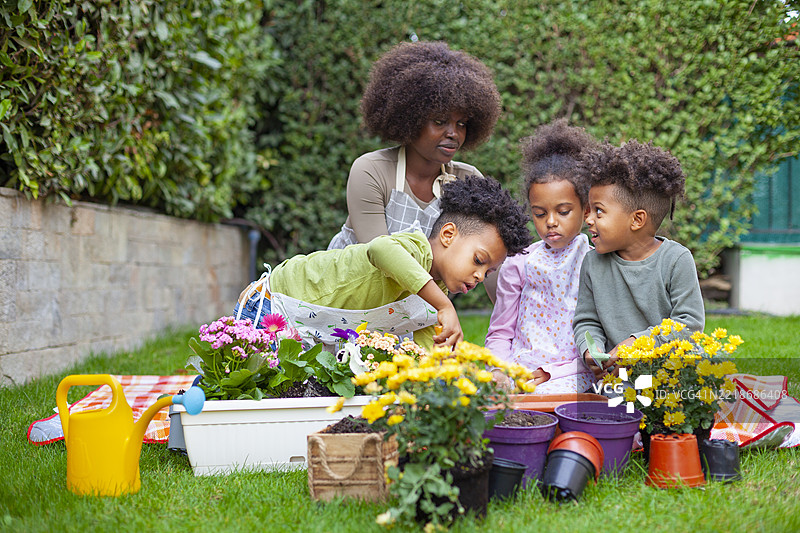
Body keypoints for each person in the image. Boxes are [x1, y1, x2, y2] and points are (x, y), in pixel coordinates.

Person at [236, 175, 532, 350]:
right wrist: (445, 305)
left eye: (489, 270)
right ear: (448, 235)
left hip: (311, 329)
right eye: (479, 260)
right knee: (245, 382)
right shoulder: (413, 249)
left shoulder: (430, 301)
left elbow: (429, 355)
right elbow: (379, 248)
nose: (481, 276)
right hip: (274, 304)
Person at [328, 41, 501, 250]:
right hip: (349, 282)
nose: (453, 133)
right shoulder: (372, 171)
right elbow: (382, 257)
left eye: (461, 124)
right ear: (410, 119)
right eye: (439, 122)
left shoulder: (467, 180)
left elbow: (490, 256)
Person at [572, 140, 705, 380]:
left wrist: (638, 344)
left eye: (598, 211)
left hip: (672, 374)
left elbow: (690, 324)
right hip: (618, 377)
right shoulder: (592, 263)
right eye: (589, 210)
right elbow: (586, 320)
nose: (588, 219)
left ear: (637, 220)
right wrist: (590, 349)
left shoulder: (676, 260)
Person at [485, 120, 597, 393]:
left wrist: (550, 374)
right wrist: (500, 370)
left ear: (585, 211)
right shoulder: (519, 263)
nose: (550, 222)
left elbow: (598, 338)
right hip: (520, 371)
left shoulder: (595, 261)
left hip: (574, 372)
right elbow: (501, 331)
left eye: (563, 211)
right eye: (539, 213)